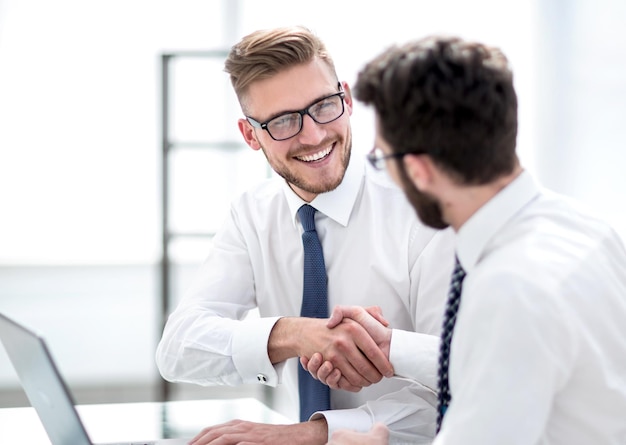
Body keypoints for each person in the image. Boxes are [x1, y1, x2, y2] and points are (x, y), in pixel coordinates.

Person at [304, 35, 626, 444]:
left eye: (381, 158)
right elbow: (520, 363)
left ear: (419, 169)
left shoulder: (508, 288)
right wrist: (393, 348)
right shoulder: (585, 227)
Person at [155, 26, 455, 444]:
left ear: (347, 100)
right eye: (282, 121)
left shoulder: (426, 214)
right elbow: (178, 348)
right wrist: (296, 335)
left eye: (324, 106)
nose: (313, 135)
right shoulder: (253, 215)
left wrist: (312, 435)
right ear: (250, 135)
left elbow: (458, 388)